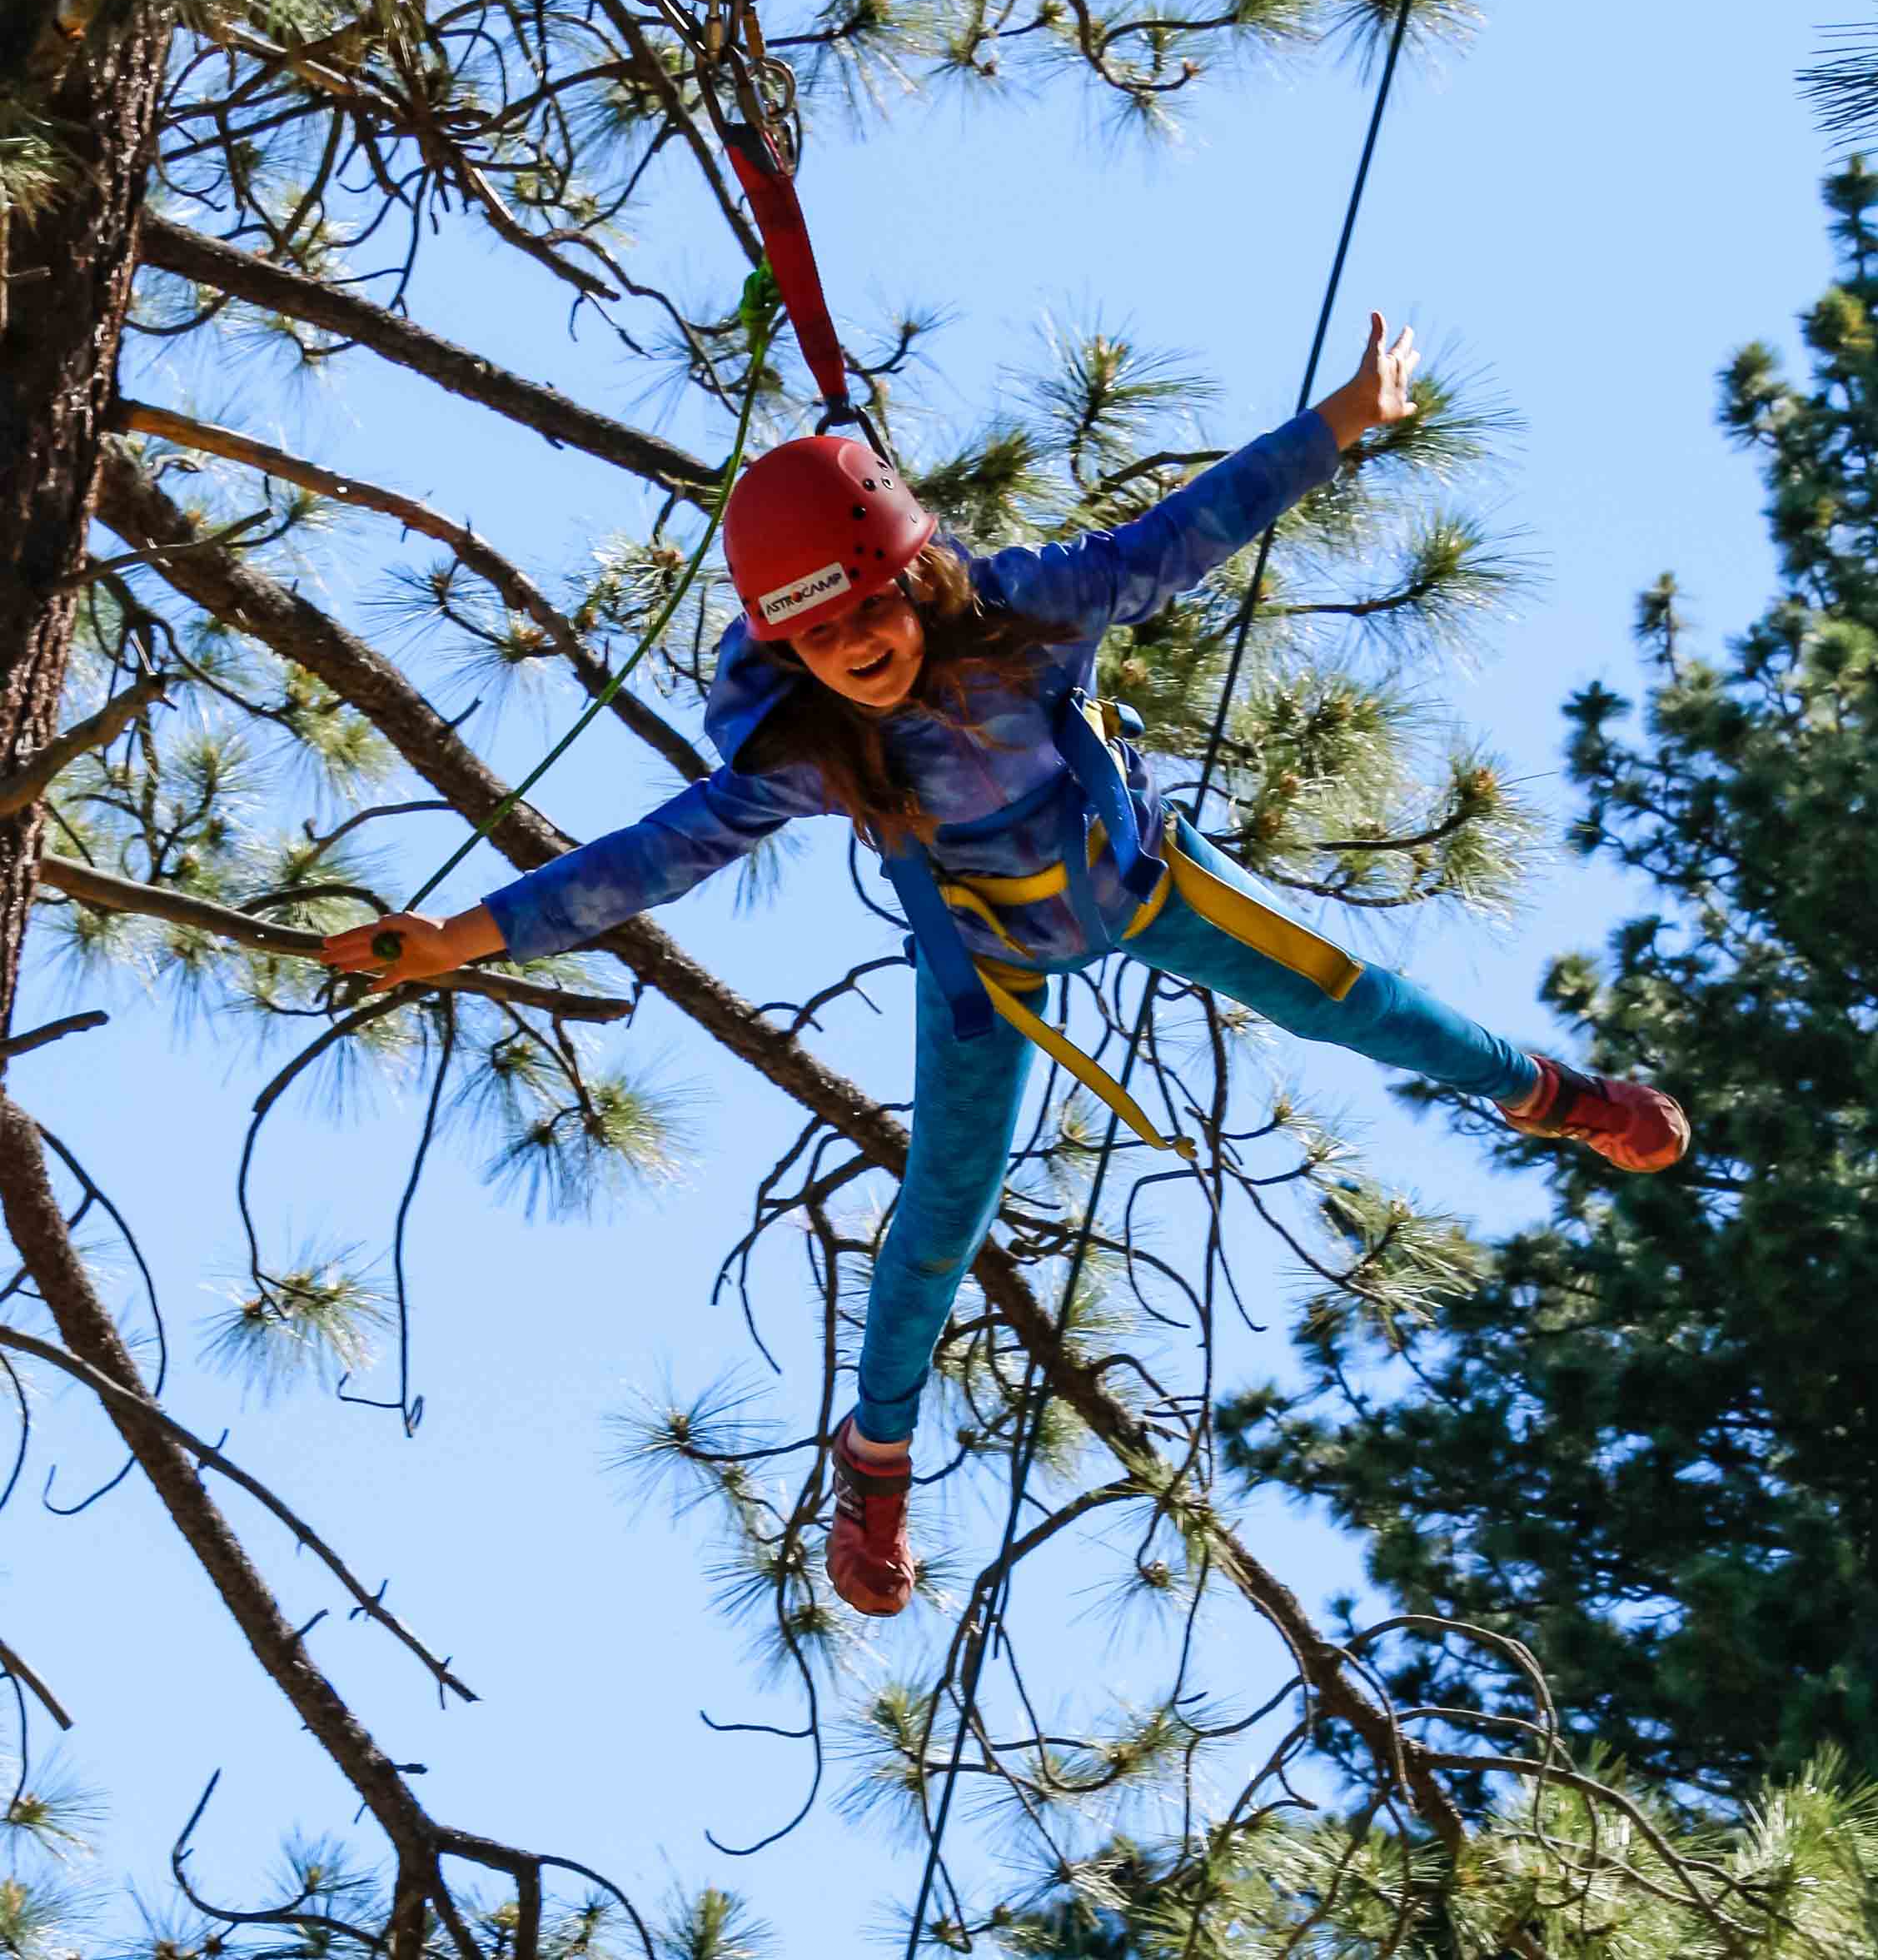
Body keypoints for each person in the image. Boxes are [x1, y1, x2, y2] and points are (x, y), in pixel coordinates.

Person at [320, 314, 1689, 1618]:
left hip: (1141, 881)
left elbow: (1189, 533)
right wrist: (463, 939)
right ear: (783, 647)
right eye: (818, 639)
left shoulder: (1033, 614)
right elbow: (644, 860)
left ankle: (1546, 1092)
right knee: (942, 1216)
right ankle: (875, 1465)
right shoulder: (805, 747)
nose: (856, 652)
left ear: (916, 580)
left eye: (871, 615)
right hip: (986, 960)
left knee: (1341, 994)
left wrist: (1342, 421)